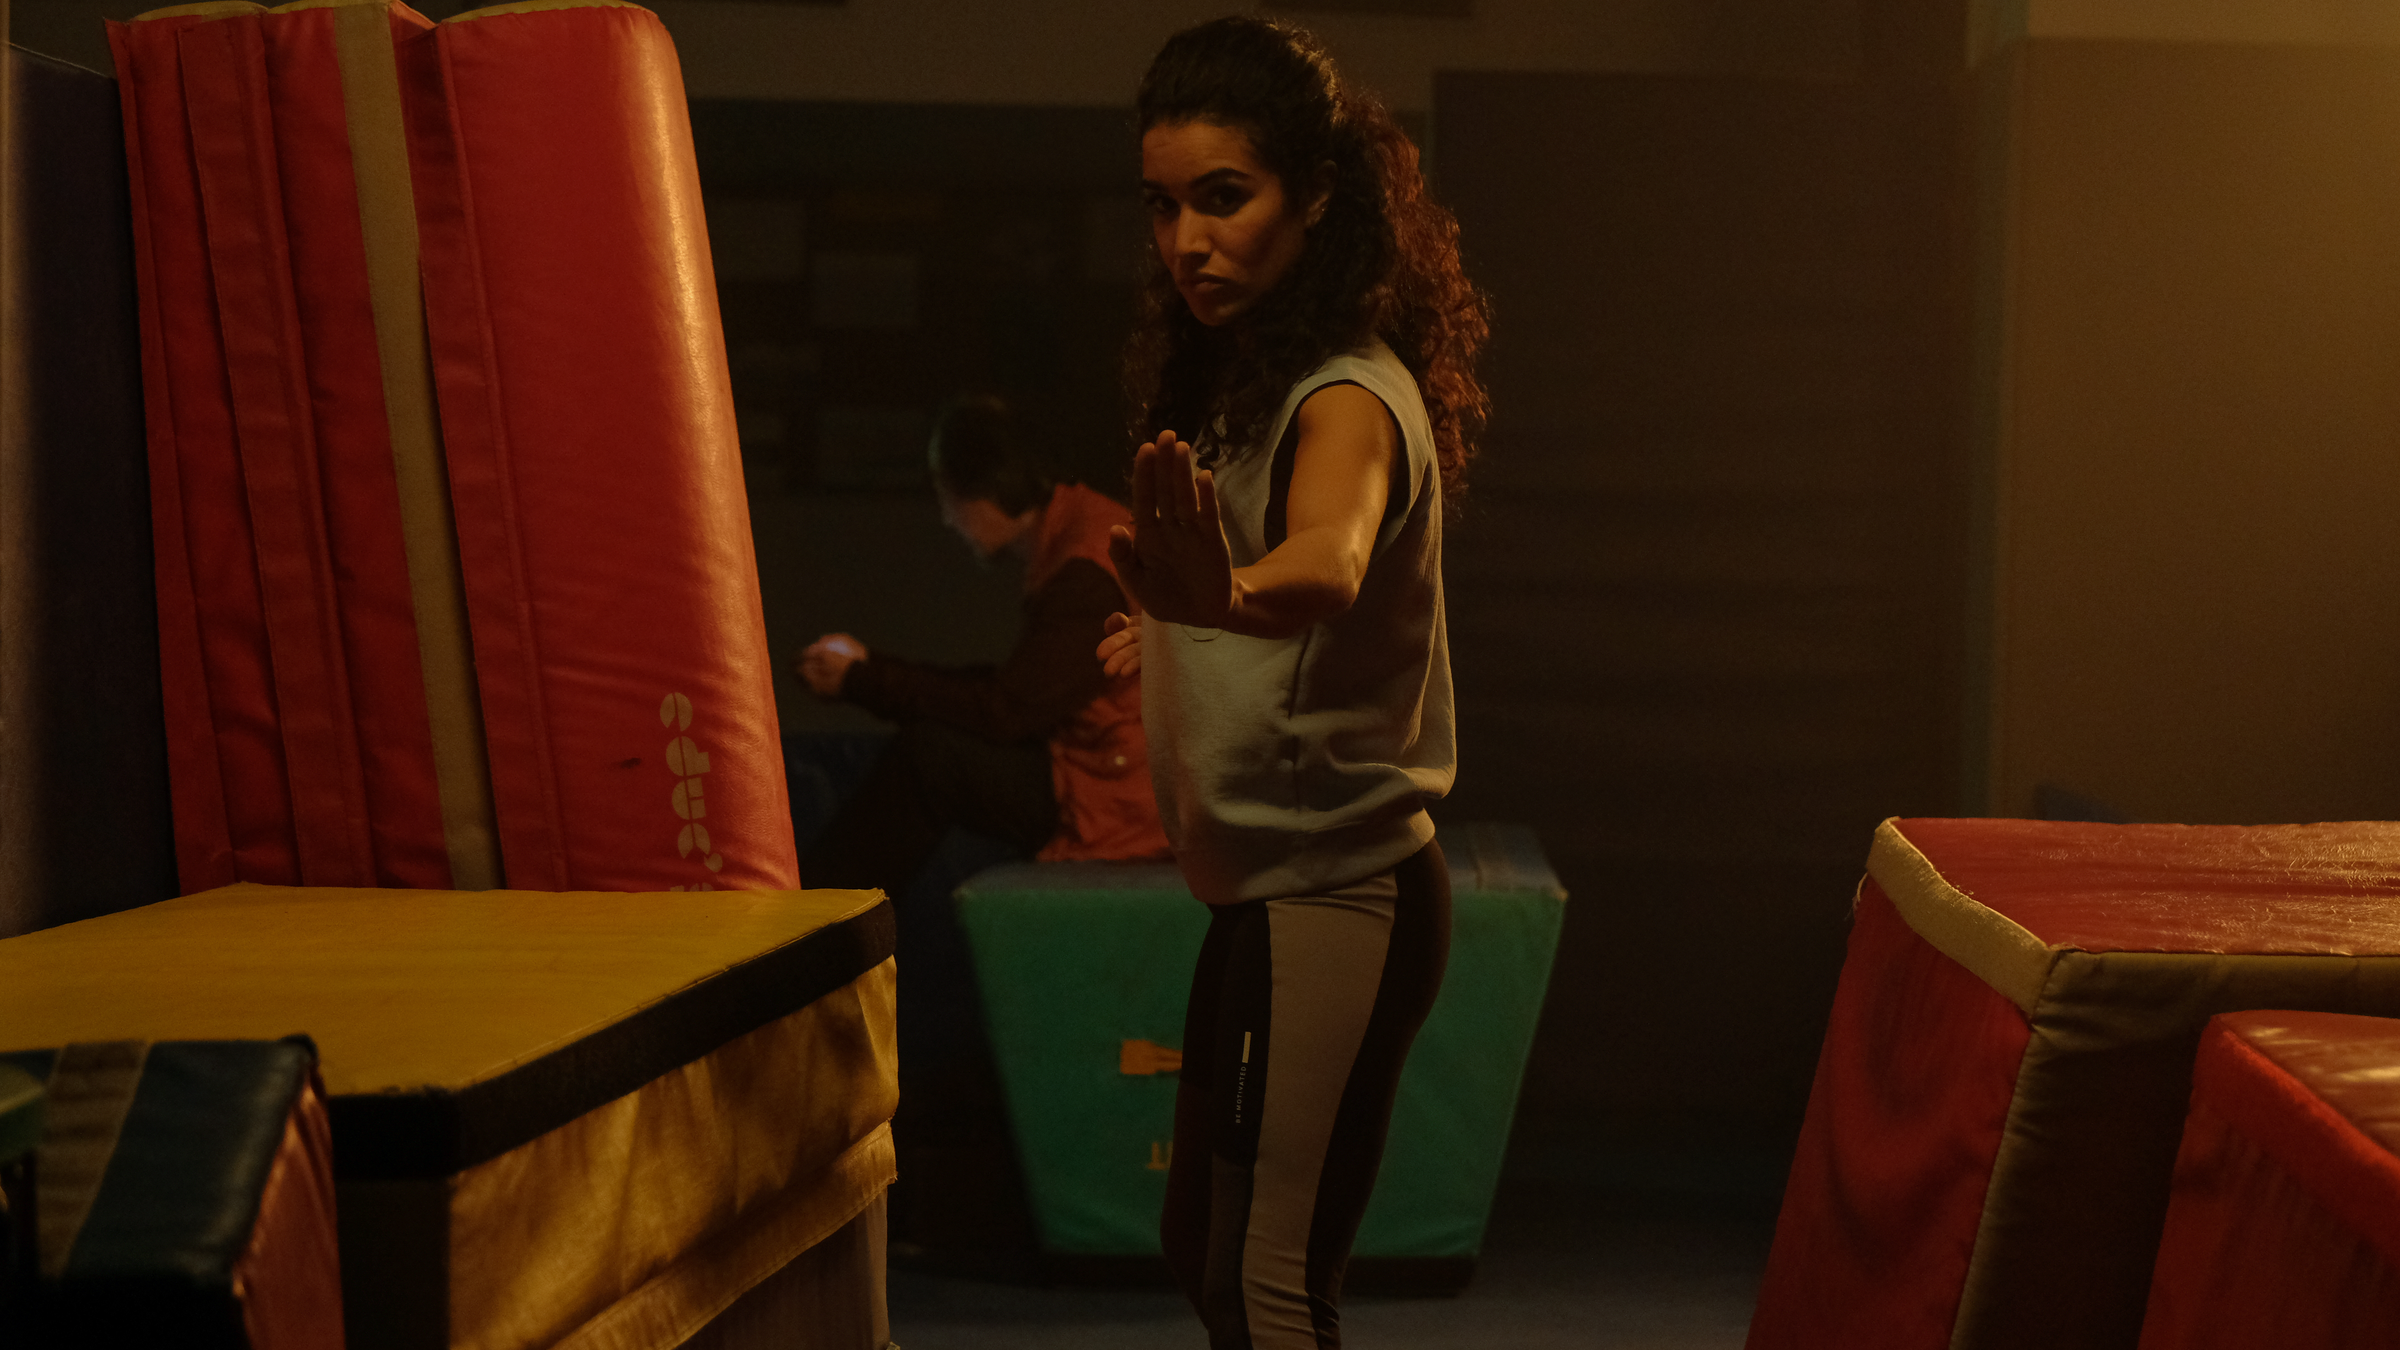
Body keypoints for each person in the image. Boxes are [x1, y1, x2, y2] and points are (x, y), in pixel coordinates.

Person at [1094, 17, 1489, 1349]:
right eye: (1163, 206)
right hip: (1265, 892)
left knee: (1267, 1285)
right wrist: (1166, 631)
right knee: (1204, 1252)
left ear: (1313, 197)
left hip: (1338, 890)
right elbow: (1247, 593)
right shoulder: (1247, 387)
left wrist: (1218, 601)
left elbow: (1327, 559)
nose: (1187, 241)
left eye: (1224, 197)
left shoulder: (1346, 396)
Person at [797, 394, 1168, 893]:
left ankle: (816, 918)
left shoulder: (1084, 571)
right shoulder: (1077, 531)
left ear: (991, 488)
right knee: (936, 747)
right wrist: (868, 669)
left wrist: (863, 680)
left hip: (1114, 794)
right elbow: (1017, 690)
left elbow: (1005, 711)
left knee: (930, 759)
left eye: (949, 496)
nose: (947, 519)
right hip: (1097, 770)